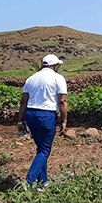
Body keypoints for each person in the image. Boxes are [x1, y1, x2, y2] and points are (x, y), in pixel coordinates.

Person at [18, 54, 68, 185]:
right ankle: (28, 182)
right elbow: (62, 101)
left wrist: (20, 120)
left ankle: (43, 182)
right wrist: (64, 121)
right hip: (46, 115)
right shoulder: (58, 78)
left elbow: (23, 101)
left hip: (31, 114)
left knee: (41, 148)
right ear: (55, 66)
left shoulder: (31, 78)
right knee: (44, 150)